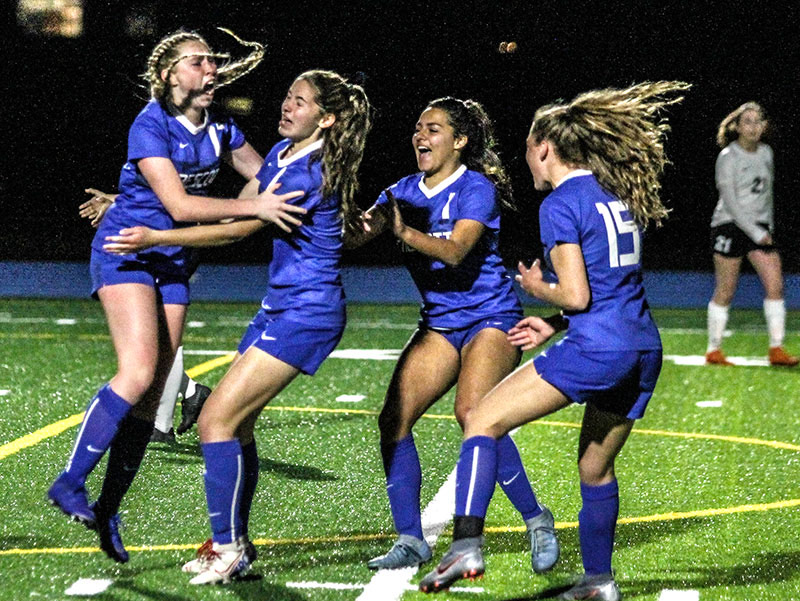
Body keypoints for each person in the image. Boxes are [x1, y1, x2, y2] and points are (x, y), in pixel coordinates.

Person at [418, 81, 690, 600]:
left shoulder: (562, 202)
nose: (526, 161)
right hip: (640, 347)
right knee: (594, 467)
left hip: (599, 350)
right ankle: (598, 583)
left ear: (545, 148)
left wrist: (541, 290)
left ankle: (466, 548)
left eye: (526, 149)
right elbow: (612, 287)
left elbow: (578, 293)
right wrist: (555, 322)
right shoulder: (616, 192)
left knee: (480, 419)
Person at [46, 28, 306, 564]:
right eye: (198, 62)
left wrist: (312, 163)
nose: (211, 69)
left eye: (213, 62)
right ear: (169, 75)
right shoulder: (151, 124)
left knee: (152, 392)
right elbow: (181, 207)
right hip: (128, 252)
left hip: (174, 260)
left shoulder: (222, 128)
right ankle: (69, 482)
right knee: (139, 372)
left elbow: (268, 174)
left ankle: (108, 506)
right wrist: (251, 209)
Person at [105, 69, 372, 584]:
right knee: (237, 425)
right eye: (288, 96)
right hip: (281, 306)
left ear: (328, 118)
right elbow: (230, 208)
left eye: (300, 101)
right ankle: (237, 545)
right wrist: (127, 204)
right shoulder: (280, 156)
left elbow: (237, 232)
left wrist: (155, 236)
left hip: (307, 312)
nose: (287, 106)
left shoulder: (306, 172)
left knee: (214, 422)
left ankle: (226, 547)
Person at [345, 97, 558, 573]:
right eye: (418, 128)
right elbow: (357, 235)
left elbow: (457, 251)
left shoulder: (475, 188)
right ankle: (410, 540)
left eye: (434, 129)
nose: (421, 136)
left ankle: (535, 517)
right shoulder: (400, 190)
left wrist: (401, 229)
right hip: (441, 323)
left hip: (492, 318)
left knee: (473, 413)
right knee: (393, 419)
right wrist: (328, 203)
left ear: (459, 142)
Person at [81, 188, 213, 443]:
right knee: (146, 339)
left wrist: (120, 205)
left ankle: (161, 425)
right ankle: (188, 394)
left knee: (155, 334)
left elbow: (180, 198)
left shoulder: (190, 149)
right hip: (160, 237)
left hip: (169, 241)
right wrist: (119, 202)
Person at [705, 102, 797, 367]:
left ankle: (777, 349)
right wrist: (756, 232)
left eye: (758, 121)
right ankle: (714, 350)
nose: (753, 127)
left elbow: (766, 197)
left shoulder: (766, 153)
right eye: (748, 121)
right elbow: (730, 201)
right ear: (736, 126)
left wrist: (766, 228)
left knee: (775, 285)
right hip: (729, 225)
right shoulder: (728, 156)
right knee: (726, 290)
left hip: (758, 228)